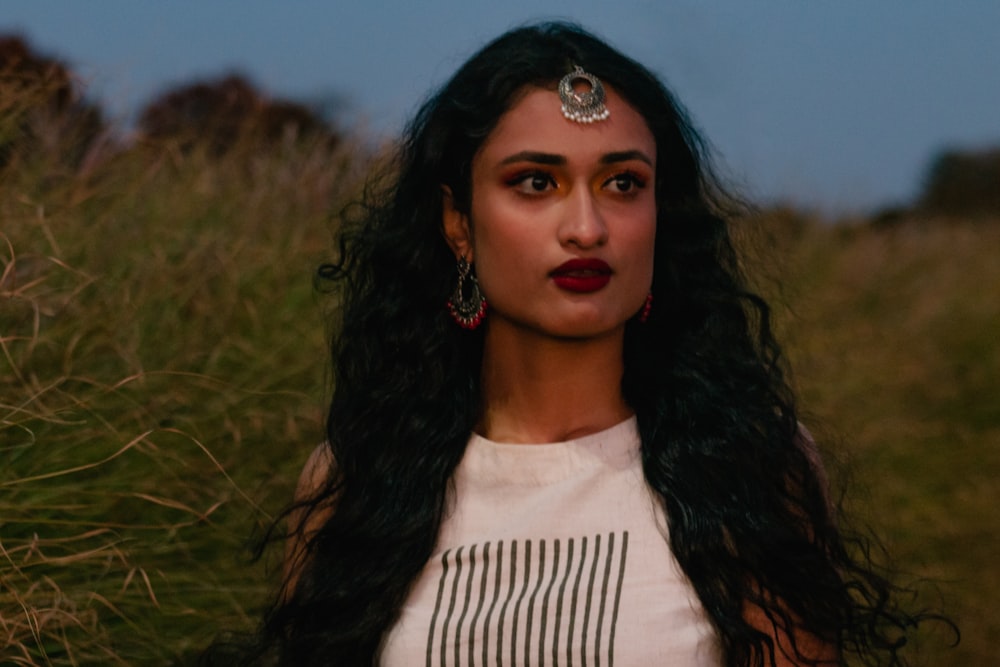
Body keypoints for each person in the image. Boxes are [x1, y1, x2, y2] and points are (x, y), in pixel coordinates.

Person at [231, 21, 936, 667]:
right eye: (536, 182)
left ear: (661, 217)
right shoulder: (354, 481)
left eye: (623, 183)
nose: (587, 226)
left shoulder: (750, 470)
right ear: (458, 222)